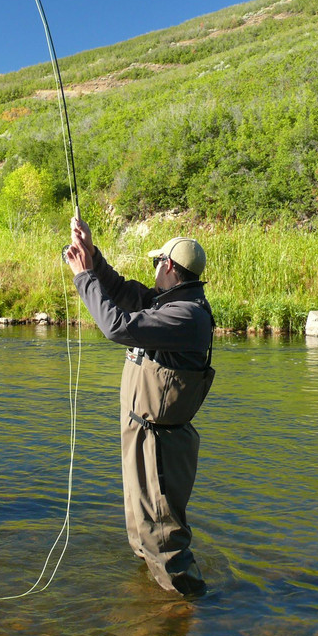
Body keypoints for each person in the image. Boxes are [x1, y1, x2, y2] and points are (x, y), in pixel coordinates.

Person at [64, 218, 215, 597]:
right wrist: (91, 254)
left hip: (160, 443)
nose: (153, 269)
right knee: (140, 530)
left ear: (168, 265)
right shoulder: (168, 304)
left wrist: (83, 277)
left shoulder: (186, 316)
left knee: (162, 536)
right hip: (142, 433)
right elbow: (118, 290)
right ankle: (157, 603)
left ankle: (190, 606)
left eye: (156, 263)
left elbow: (116, 327)